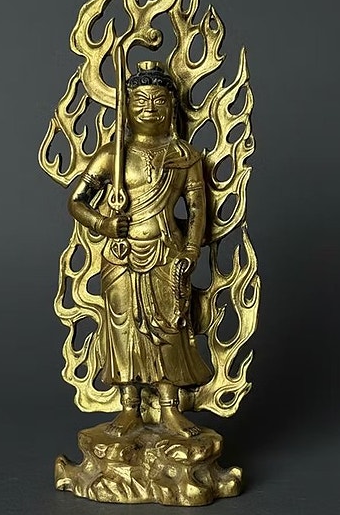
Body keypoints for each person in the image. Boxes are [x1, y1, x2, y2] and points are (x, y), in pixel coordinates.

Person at [68, 61, 212, 438]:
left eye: (159, 100)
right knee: (124, 327)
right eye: (140, 101)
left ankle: (169, 408)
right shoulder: (112, 154)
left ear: (173, 107)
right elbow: (77, 202)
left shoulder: (185, 156)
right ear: (127, 109)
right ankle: (129, 406)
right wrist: (103, 224)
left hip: (167, 251)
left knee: (169, 327)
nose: (150, 108)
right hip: (120, 254)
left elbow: (197, 208)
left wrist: (191, 250)